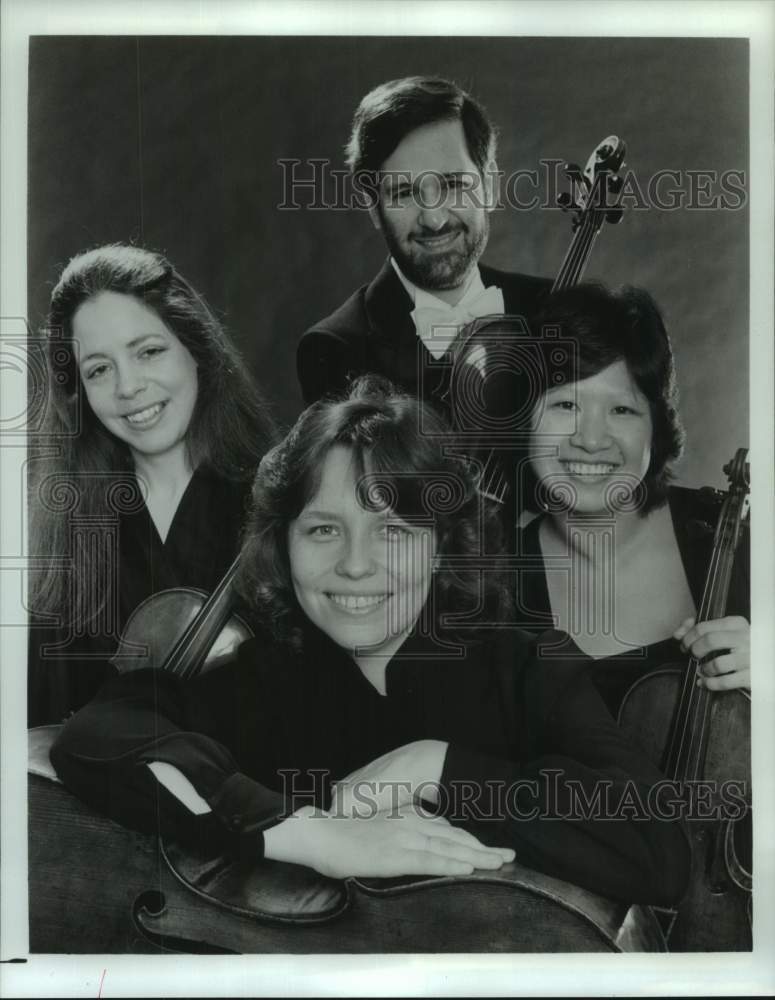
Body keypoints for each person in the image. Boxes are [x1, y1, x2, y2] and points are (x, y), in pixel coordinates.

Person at [52, 378, 690, 910]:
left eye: (392, 530)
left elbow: (658, 850)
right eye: (323, 529)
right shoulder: (263, 677)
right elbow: (96, 737)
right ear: (284, 544)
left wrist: (435, 767)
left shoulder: (524, 665)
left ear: (440, 545)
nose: (355, 566)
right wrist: (306, 833)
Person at [28, 244, 277, 725]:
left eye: (149, 352)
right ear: (79, 391)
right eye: (99, 370)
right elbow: (41, 723)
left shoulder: (277, 500)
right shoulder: (65, 529)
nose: (128, 387)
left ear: (196, 349)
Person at [513, 283, 750, 718]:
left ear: (656, 427)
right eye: (565, 404)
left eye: (621, 410)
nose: (589, 440)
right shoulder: (493, 587)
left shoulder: (741, 544)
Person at [296, 76, 551, 408]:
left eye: (453, 185)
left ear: (490, 186)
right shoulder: (336, 349)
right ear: (374, 208)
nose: (434, 219)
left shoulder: (555, 307)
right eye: (404, 193)